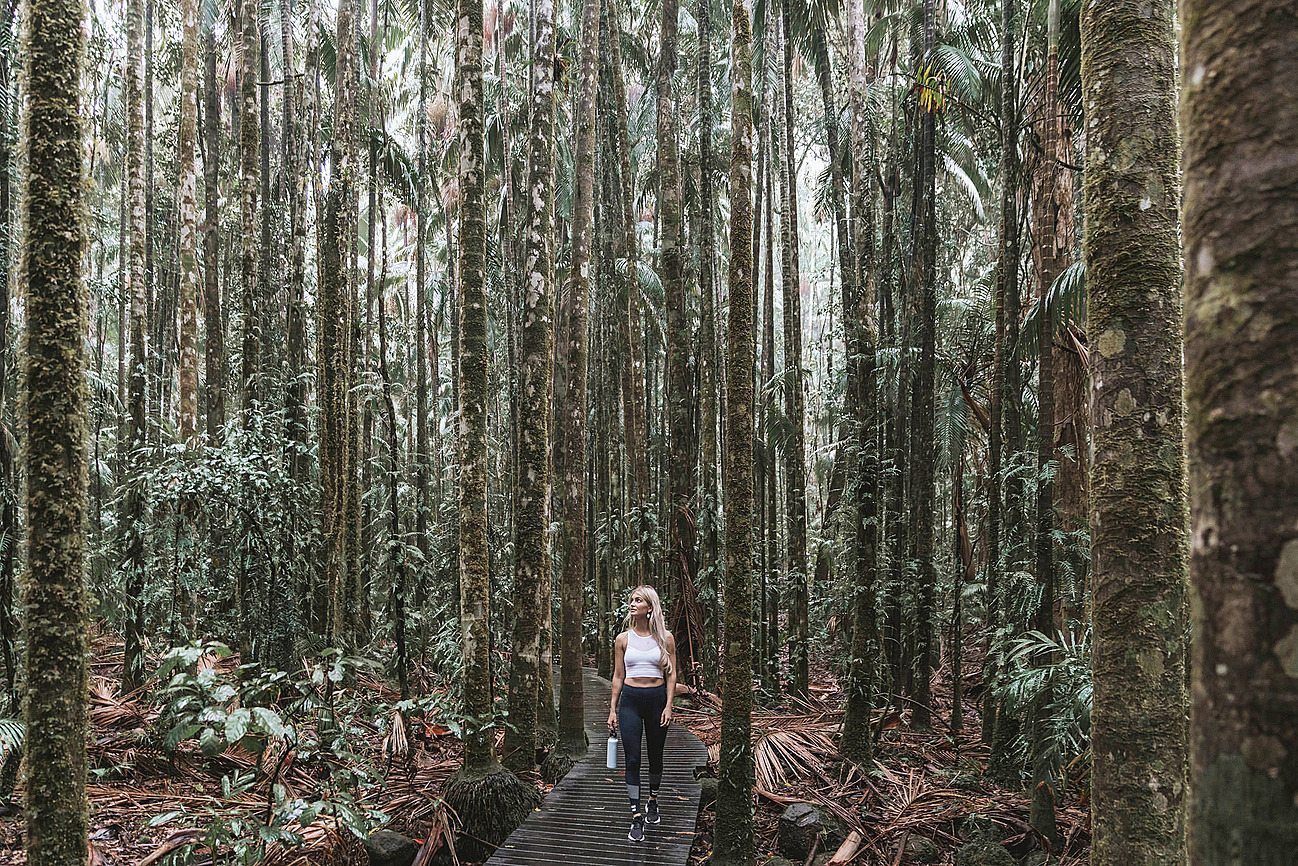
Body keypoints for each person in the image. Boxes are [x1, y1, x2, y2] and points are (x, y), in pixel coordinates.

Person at [607, 585, 678, 842]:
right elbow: (617, 676)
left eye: (639, 600)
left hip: (657, 701)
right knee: (633, 758)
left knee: (655, 756)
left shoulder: (665, 639)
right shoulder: (622, 639)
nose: (633, 603)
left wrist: (669, 705)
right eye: (632, 600)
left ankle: (653, 800)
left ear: (650, 607)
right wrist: (612, 709)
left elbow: (671, 675)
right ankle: (636, 815)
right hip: (630, 702)